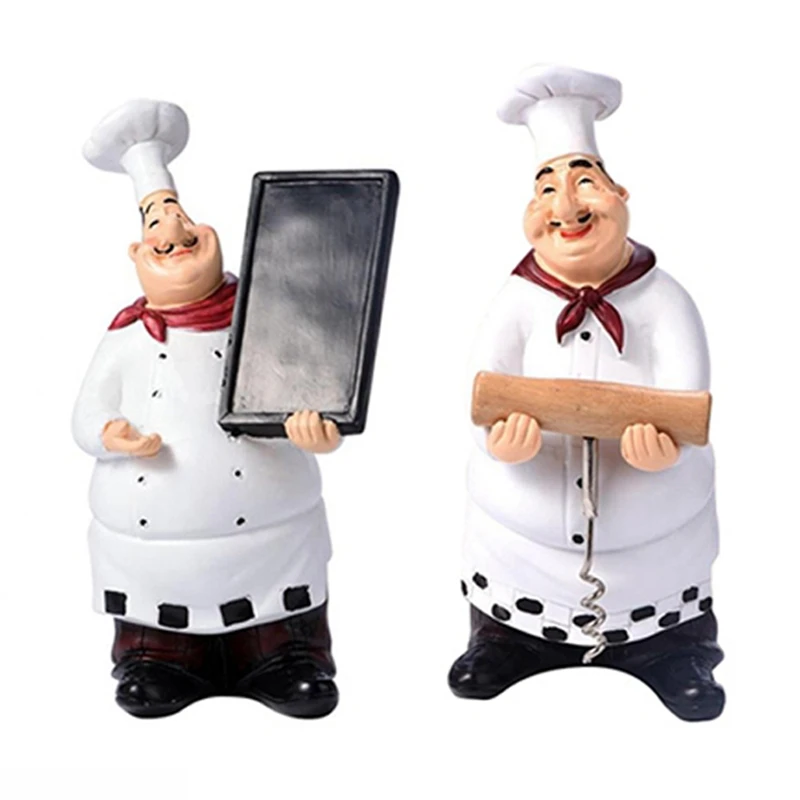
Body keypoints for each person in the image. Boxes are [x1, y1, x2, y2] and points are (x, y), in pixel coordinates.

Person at [448, 65, 725, 721]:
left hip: (650, 519)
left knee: (657, 586)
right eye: (546, 189)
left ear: (621, 195)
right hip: (528, 522)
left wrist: (667, 451)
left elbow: (688, 399)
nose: (566, 207)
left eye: (585, 183)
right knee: (517, 582)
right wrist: (501, 443)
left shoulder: (666, 300)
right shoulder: (515, 300)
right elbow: (485, 391)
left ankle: (671, 652)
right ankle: (507, 641)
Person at [74, 99, 341, 719]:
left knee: (276, 605)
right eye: (155, 227)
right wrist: (112, 434)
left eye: (180, 219)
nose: (169, 233)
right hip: (153, 546)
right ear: (137, 255)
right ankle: (159, 661)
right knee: (159, 611)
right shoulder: (126, 337)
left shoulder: (267, 317)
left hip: (271, 534)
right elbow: (84, 417)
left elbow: (314, 392)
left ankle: (283, 659)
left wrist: (321, 432)